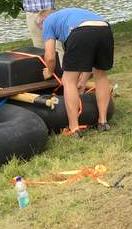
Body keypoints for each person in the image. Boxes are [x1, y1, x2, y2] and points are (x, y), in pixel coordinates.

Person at [39, 8, 114, 137]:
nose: (43, 32)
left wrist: (49, 71)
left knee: (68, 81)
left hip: (81, 32)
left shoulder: (47, 22)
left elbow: (50, 56)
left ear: (42, 21)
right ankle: (103, 122)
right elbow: (87, 61)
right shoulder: (69, 15)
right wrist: (83, 81)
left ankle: (74, 128)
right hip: (105, 29)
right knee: (101, 76)